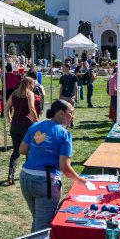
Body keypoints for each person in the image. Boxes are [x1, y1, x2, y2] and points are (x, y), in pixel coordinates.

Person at [19, 99, 90, 231]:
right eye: (71, 113)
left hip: (25, 178)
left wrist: (39, 150)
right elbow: (65, 167)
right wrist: (80, 181)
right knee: (43, 227)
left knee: (38, 221)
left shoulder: (35, 126)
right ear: (61, 113)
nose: (72, 116)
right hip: (45, 182)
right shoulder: (64, 134)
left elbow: (22, 150)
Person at [6, 76, 39, 185]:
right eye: (32, 84)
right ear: (28, 84)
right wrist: (37, 121)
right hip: (27, 125)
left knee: (16, 151)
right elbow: (32, 108)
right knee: (28, 151)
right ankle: (28, 174)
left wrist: (10, 119)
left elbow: (6, 106)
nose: (34, 86)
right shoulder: (29, 94)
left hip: (15, 125)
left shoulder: (15, 93)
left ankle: (10, 175)